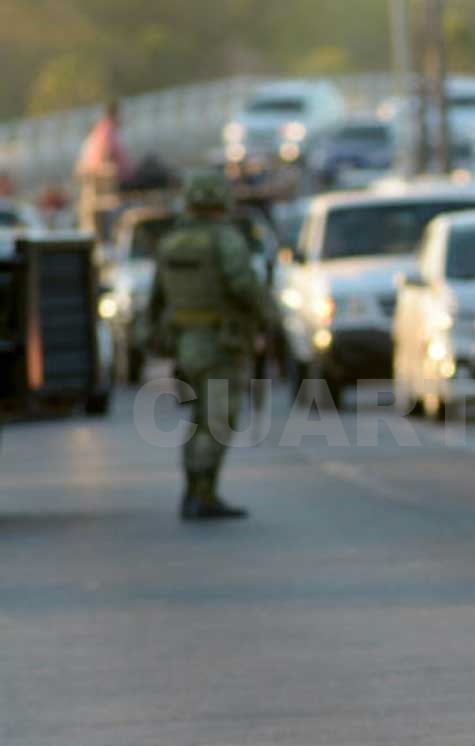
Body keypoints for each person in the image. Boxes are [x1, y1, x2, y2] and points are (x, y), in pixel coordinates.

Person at [145, 170, 274, 520]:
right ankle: (202, 494)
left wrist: (152, 337)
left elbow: (156, 298)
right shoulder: (225, 240)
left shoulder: (172, 241)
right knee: (218, 419)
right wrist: (269, 317)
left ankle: (195, 492)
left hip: (186, 344)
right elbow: (244, 284)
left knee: (201, 418)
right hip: (221, 343)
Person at [75, 99, 132, 235]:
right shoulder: (106, 133)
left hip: (102, 181)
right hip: (110, 182)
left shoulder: (98, 132)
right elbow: (102, 160)